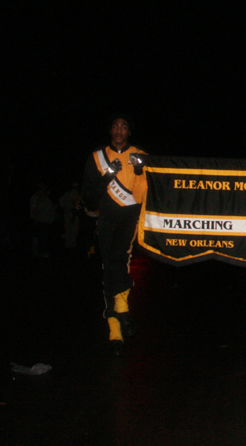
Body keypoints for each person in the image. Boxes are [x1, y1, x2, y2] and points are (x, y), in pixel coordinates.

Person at [82, 116, 148, 356]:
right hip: (106, 218)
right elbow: (88, 195)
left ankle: (116, 330)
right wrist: (108, 176)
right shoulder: (96, 157)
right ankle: (121, 318)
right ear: (110, 130)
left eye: (124, 127)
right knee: (110, 265)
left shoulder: (140, 154)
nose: (119, 130)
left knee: (119, 260)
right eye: (115, 126)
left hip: (129, 217)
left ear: (129, 132)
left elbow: (144, 196)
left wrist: (140, 171)